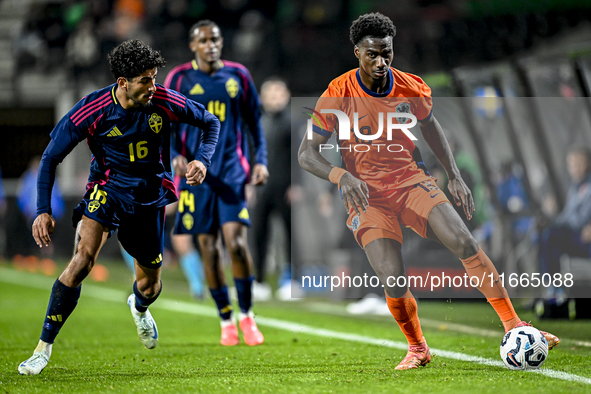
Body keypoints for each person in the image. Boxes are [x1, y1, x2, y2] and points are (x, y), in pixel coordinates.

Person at [298, 12, 559, 370]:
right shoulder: (338, 93)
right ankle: (418, 348)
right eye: (372, 54)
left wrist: (454, 175)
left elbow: (431, 125)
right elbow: (306, 154)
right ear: (357, 51)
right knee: (392, 277)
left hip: (411, 182)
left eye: (386, 53)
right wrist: (340, 176)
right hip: (367, 196)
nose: (380, 61)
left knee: (464, 242)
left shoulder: (409, 86)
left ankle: (515, 324)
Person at [18, 39, 220, 375]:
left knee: (150, 285)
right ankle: (42, 348)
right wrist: (42, 209)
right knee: (82, 260)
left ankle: (139, 308)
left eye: (155, 78)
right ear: (123, 83)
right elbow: (51, 156)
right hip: (106, 190)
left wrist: (202, 159)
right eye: (146, 80)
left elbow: (210, 122)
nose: (153, 87)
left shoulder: (164, 101)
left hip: (149, 197)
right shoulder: (93, 108)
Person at [164, 20, 268, 346]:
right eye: (204, 40)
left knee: (235, 244)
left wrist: (260, 160)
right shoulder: (179, 78)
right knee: (208, 249)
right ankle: (225, 318)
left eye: (216, 39)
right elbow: (164, 126)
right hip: (196, 178)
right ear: (193, 45)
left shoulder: (239, 75)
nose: (211, 45)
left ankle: (248, 315)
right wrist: (174, 157)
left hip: (232, 172)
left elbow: (255, 123)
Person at [251, 77, 295, 300]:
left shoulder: (293, 122)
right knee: (258, 234)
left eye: (279, 93)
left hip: (286, 188)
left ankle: (289, 280)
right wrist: (249, 184)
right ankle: (258, 281)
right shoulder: (258, 122)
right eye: (270, 94)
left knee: (290, 235)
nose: (275, 98)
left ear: (286, 96)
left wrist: (296, 185)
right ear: (262, 98)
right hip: (261, 188)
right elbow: (250, 155)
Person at [539, 147, 591, 287]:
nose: (574, 168)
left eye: (578, 164)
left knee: (552, 236)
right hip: (575, 235)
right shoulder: (575, 187)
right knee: (548, 237)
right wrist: (552, 214)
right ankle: (554, 288)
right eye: (572, 165)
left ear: (587, 164)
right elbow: (567, 217)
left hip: (585, 237)